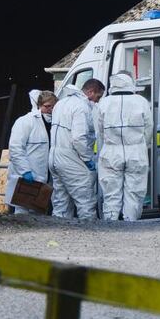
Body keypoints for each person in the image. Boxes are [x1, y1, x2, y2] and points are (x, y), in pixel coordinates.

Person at [95, 71, 153, 221]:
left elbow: (99, 130)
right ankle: (131, 222)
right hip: (136, 151)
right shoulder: (141, 101)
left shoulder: (104, 103)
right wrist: (141, 145)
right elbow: (149, 128)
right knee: (134, 192)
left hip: (111, 152)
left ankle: (111, 223)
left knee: (111, 193)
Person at [49, 78, 105, 220]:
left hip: (54, 157)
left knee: (61, 202)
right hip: (71, 159)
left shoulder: (60, 104)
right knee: (85, 201)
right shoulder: (81, 107)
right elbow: (79, 138)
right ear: (90, 92)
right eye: (98, 97)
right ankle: (88, 235)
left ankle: (61, 234)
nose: (97, 101)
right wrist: (87, 159)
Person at [4, 90, 57, 214]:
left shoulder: (55, 124)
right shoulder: (25, 121)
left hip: (45, 177)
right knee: (22, 211)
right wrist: (25, 171)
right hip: (27, 176)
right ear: (39, 105)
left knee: (38, 213)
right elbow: (16, 148)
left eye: (53, 106)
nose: (50, 110)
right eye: (47, 106)